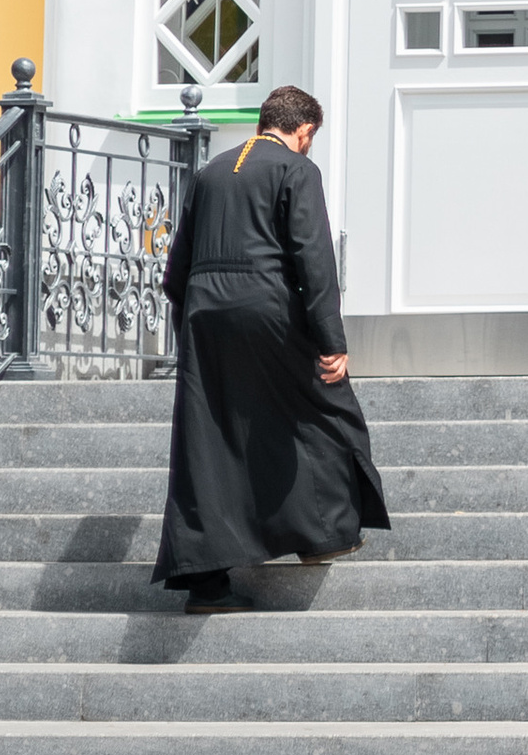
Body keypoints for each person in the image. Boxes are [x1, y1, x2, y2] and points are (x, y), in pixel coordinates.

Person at [153, 82, 390, 610]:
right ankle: (323, 535)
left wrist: (193, 322)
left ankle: (206, 586)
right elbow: (314, 259)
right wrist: (331, 340)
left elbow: (176, 271)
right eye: (312, 137)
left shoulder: (210, 171)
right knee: (325, 408)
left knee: (209, 439)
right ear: (303, 131)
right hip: (266, 306)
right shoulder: (297, 170)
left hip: (202, 312)